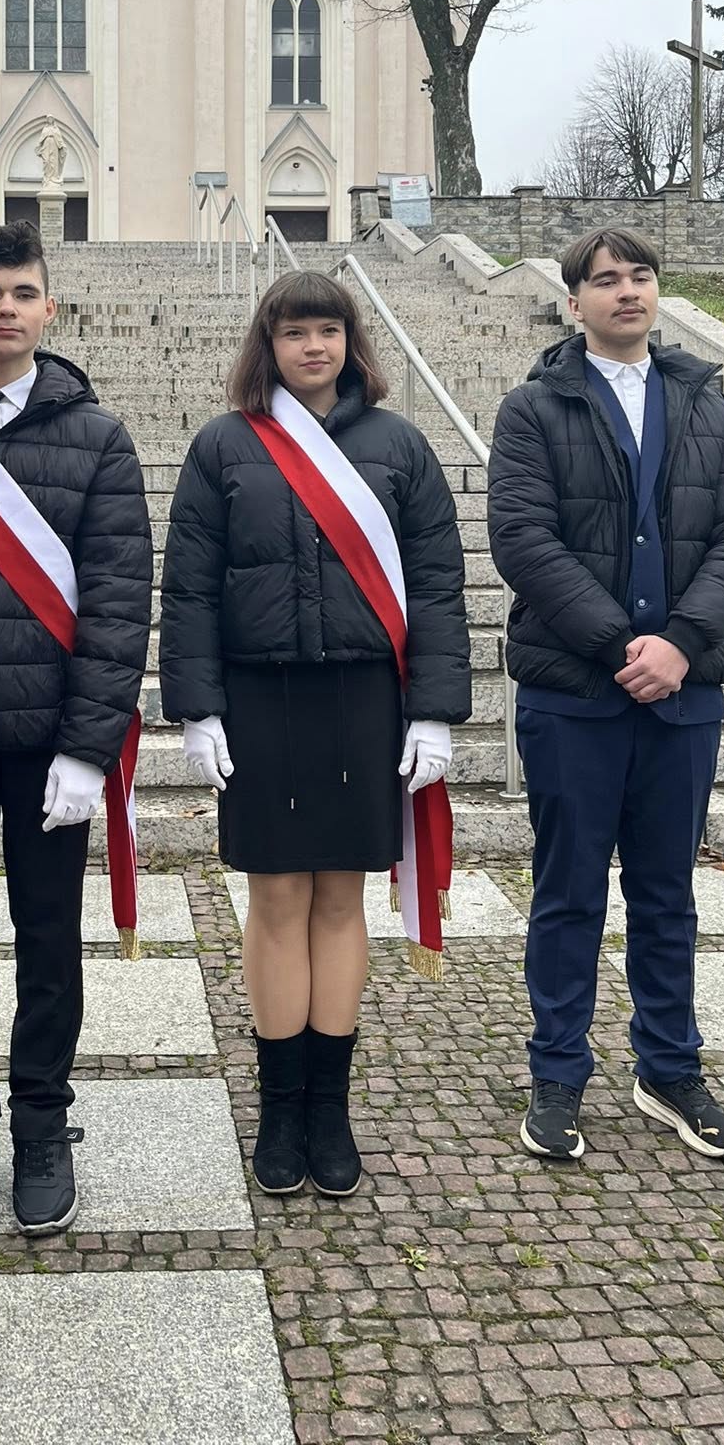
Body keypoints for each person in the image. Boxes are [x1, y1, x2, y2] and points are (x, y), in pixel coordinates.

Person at [160, 271, 470, 1198]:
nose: (313, 347)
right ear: (269, 344)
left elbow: (438, 586)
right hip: (261, 699)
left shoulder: (400, 445)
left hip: (364, 700)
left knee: (340, 899)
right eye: (294, 332)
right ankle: (279, 1106)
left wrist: (433, 710)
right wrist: (198, 706)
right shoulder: (223, 445)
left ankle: (328, 1109)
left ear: (350, 341)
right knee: (275, 898)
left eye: (327, 330)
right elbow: (190, 586)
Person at [488, 227, 724, 1165]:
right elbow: (523, 540)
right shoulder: (534, 407)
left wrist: (682, 644)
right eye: (605, 280)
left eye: (640, 275)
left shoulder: (704, 400)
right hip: (577, 695)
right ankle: (558, 1074)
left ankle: (670, 1068)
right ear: (575, 302)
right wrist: (619, 646)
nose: (626, 291)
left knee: (667, 894)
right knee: (568, 892)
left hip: (684, 695)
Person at [0, 221, 151, 1239]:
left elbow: (118, 603)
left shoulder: (98, 438)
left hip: (52, 743)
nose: (5, 309)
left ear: (50, 307)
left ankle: (43, 1121)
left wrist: (89, 749)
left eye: (22, 292)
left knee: (50, 943)